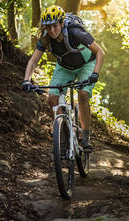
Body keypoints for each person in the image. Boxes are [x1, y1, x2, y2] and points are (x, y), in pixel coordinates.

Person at [22, 5, 105, 150]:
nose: (52, 31)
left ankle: (85, 137)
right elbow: (33, 61)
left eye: (55, 26)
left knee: (83, 94)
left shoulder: (75, 32)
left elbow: (100, 53)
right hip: (65, 68)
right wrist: (26, 80)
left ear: (61, 23)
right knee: (52, 98)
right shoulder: (46, 38)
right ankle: (66, 132)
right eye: (48, 28)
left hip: (87, 64)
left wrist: (95, 74)